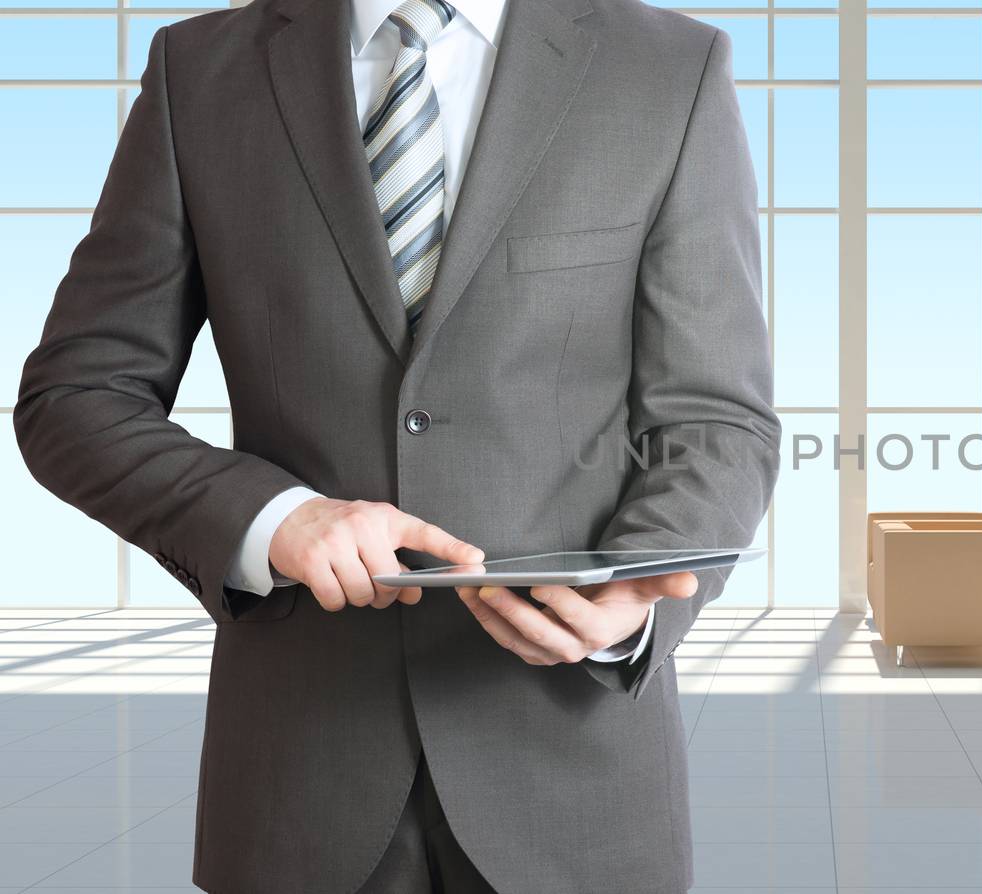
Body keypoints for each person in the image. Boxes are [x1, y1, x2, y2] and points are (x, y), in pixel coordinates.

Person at [13, 0, 778, 890]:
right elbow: (75, 397)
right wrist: (274, 519)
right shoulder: (200, 71)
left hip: (576, 783)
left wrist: (633, 593)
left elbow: (717, 416)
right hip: (298, 784)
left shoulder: (669, 67)